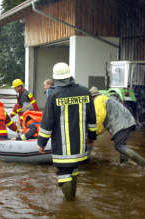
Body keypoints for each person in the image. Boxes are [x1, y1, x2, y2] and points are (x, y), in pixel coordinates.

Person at [37, 62, 97, 201]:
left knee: (64, 173)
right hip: (80, 143)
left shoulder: (54, 95)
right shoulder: (85, 92)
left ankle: (70, 206)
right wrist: (91, 136)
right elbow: (92, 118)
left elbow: (47, 122)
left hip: (62, 146)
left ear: (56, 78)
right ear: (70, 76)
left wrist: (41, 142)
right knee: (74, 169)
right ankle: (73, 201)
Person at [89, 86, 145, 166]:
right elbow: (104, 125)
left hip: (121, 122)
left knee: (119, 146)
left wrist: (92, 132)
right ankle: (124, 162)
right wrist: (95, 133)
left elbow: (100, 117)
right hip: (128, 120)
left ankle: (141, 161)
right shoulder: (105, 99)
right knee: (122, 143)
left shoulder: (98, 100)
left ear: (92, 97)